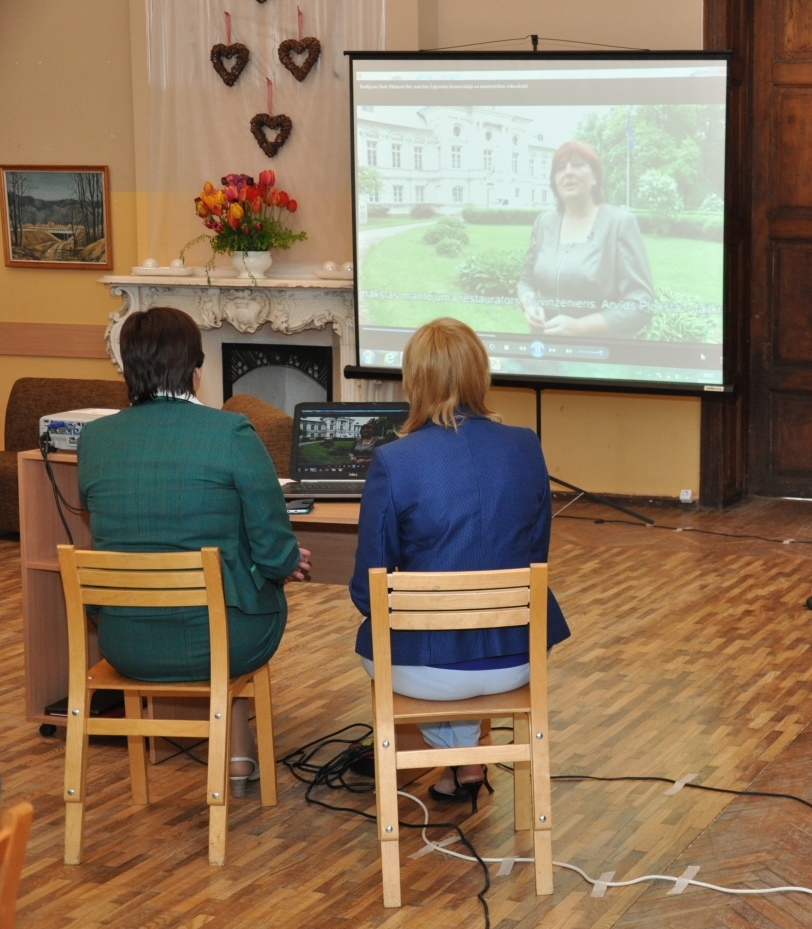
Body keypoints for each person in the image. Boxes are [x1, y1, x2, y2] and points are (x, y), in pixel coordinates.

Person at [78, 306, 311, 796]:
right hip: (224, 643)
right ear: (196, 370)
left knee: (223, 609)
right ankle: (239, 760)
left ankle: (238, 759)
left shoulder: (94, 440)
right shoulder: (231, 433)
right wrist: (285, 564)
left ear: (128, 368)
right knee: (239, 611)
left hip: (127, 645)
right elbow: (273, 552)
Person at [349, 317, 571, 807]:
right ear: (480, 374)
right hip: (518, 657)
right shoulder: (525, 446)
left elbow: (369, 592)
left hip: (426, 670)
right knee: (450, 631)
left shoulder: (394, 461)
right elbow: (537, 556)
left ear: (414, 380)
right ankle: (465, 762)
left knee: (394, 636)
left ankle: (456, 761)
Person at [516, 140, 655, 338]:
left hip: (597, 358)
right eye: (561, 168)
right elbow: (526, 282)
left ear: (595, 177)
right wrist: (530, 305)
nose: (568, 172)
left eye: (577, 164)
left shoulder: (619, 223)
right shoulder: (544, 222)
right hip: (544, 352)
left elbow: (640, 304)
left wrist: (581, 327)